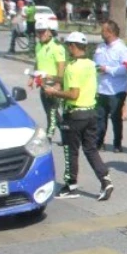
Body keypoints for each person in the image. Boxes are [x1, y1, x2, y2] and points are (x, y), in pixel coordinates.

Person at [43, 32, 113, 201]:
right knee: (90, 149)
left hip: (75, 115)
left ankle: (70, 185)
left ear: (73, 46)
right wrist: (55, 79)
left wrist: (54, 92)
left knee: (70, 151)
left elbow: (74, 94)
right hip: (90, 112)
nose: (67, 48)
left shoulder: (73, 67)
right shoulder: (90, 64)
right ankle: (105, 180)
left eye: (68, 45)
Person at [92, 20, 127, 153]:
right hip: (101, 89)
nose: (101, 33)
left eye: (103, 30)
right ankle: (99, 142)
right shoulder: (100, 47)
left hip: (116, 90)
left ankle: (117, 143)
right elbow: (95, 63)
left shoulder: (123, 49)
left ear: (110, 32)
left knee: (115, 118)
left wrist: (108, 69)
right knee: (100, 117)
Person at [32, 24, 65, 141]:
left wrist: (58, 83)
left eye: (42, 32)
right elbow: (37, 61)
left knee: (52, 111)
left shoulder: (57, 47)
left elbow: (61, 66)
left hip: (53, 82)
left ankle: (49, 135)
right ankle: (65, 133)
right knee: (50, 112)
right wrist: (32, 77)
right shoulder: (38, 45)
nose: (40, 35)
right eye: (38, 32)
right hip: (43, 83)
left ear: (49, 32)